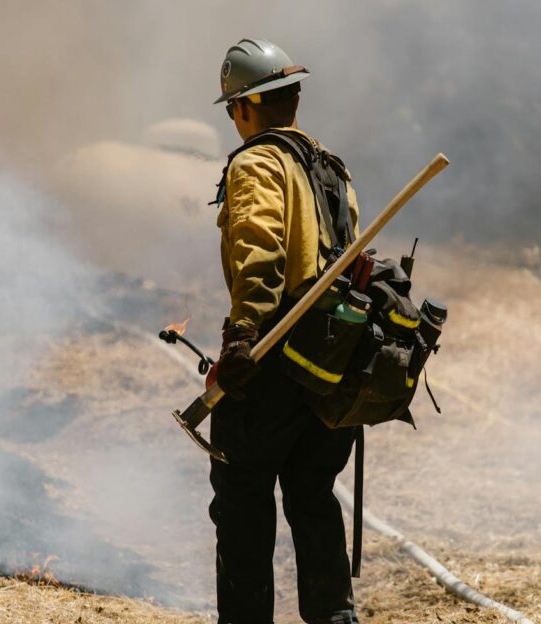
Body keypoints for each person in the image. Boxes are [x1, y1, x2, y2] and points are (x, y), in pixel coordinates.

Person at [207, 38, 361, 624]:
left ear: (244, 107)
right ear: (293, 97)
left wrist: (243, 334)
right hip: (331, 365)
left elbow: (260, 248)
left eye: (230, 109)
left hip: (273, 360)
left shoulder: (256, 162)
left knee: (243, 502)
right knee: (313, 496)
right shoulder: (332, 167)